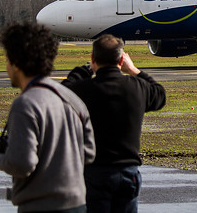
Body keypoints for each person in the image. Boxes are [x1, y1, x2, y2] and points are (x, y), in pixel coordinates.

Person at [0, 21, 96, 213]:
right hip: (77, 203)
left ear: (16, 62)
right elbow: (88, 153)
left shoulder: (26, 104)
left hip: (40, 205)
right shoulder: (72, 98)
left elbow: (22, 164)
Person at [63, 34, 167, 213]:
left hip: (94, 172)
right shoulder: (137, 87)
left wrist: (80, 73)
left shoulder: (83, 90)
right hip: (128, 171)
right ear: (121, 61)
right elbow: (160, 95)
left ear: (93, 59)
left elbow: (58, 97)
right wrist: (133, 69)